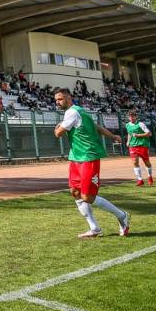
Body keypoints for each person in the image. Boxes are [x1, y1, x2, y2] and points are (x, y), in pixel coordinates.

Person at [54, 87, 129, 239]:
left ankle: (122, 215)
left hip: (88, 157)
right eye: (56, 100)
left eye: (60, 99)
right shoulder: (81, 111)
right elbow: (97, 127)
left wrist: (57, 127)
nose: (57, 102)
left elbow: (58, 134)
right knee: (75, 192)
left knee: (88, 197)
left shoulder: (72, 112)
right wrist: (113, 136)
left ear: (69, 98)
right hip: (76, 157)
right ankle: (95, 228)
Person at [125, 111, 154, 186]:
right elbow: (129, 133)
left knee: (147, 163)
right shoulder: (127, 125)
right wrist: (128, 141)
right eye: (130, 117)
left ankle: (150, 177)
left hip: (142, 145)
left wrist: (138, 135)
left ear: (136, 117)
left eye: (133, 116)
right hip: (133, 146)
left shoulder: (140, 124)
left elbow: (149, 133)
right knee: (135, 162)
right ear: (128, 117)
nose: (131, 118)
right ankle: (140, 180)